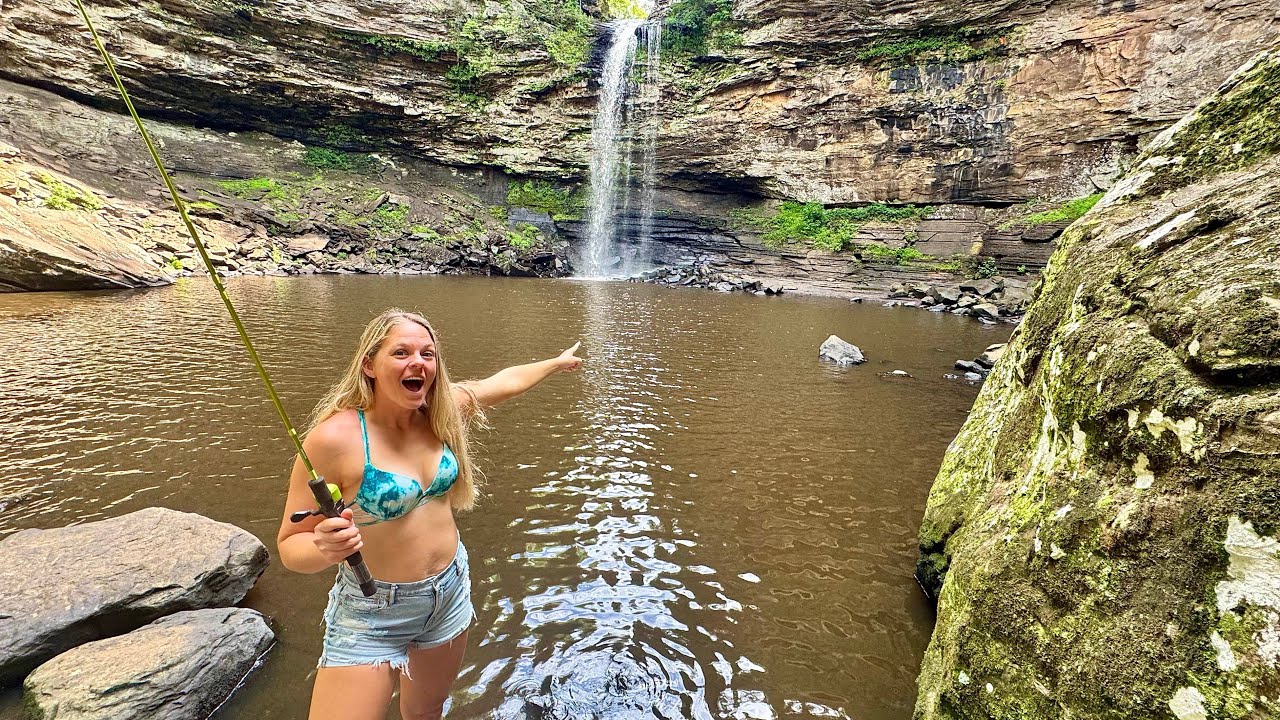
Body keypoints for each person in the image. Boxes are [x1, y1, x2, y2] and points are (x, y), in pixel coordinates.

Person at [277, 308, 583, 720]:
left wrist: (556, 363)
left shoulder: (439, 412)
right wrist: (323, 547)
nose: (417, 362)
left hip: (449, 593)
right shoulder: (334, 439)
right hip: (372, 611)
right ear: (369, 365)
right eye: (401, 352)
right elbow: (289, 546)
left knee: (425, 713)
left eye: (427, 353)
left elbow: (501, 384)